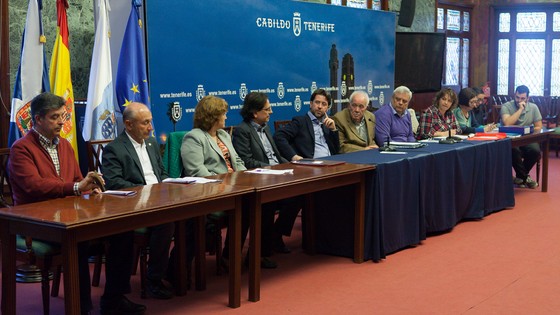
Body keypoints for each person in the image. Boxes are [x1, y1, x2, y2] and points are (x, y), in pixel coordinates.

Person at [7, 92, 145, 315]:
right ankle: (81, 307)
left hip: (71, 215)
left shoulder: (64, 145)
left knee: (123, 232)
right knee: (78, 240)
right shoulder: (21, 149)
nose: (62, 122)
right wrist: (76, 188)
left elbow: (77, 180)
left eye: (63, 116)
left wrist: (91, 187)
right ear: (38, 120)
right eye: (55, 117)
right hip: (38, 222)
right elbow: (34, 186)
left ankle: (114, 301)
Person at [180, 95, 278, 268]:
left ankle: (247, 255)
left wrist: (243, 178)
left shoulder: (223, 135)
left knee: (261, 202)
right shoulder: (194, 137)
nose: (226, 117)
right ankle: (230, 257)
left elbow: (238, 161)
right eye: (223, 114)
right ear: (213, 116)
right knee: (248, 205)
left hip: (235, 187)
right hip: (212, 191)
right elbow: (197, 171)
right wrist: (226, 185)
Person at [101, 102, 175, 300]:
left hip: (159, 200)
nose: (151, 127)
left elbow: (161, 173)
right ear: (128, 124)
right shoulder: (114, 149)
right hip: (135, 207)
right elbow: (115, 183)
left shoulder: (151, 143)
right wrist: (149, 192)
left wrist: (169, 185)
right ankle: (154, 279)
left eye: (150, 122)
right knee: (166, 222)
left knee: (190, 216)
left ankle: (175, 271)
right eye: (145, 123)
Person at [232, 92, 301, 254]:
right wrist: (274, 170)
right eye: (267, 109)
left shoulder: (266, 127)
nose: (271, 112)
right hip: (261, 180)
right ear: (255, 112)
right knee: (268, 204)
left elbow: (276, 156)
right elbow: (246, 161)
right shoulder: (243, 131)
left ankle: (276, 235)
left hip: (278, 176)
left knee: (299, 195)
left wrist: (292, 165)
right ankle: (260, 251)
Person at [274, 88, 339, 160]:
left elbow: (336, 151)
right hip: (312, 164)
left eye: (324, 104)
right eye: (317, 102)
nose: (320, 106)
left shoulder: (327, 123)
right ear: (311, 104)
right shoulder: (300, 121)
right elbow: (278, 136)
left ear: (327, 108)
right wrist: (293, 156)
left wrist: (333, 130)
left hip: (331, 162)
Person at [500, 85, 542, 189]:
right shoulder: (506, 106)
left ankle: (520, 177)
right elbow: (507, 123)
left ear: (528, 98)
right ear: (514, 95)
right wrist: (519, 110)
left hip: (526, 139)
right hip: (510, 140)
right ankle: (525, 177)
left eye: (523, 98)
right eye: (517, 97)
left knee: (535, 150)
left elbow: (538, 126)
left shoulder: (533, 107)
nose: (519, 100)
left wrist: (529, 132)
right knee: (514, 150)